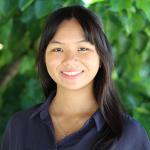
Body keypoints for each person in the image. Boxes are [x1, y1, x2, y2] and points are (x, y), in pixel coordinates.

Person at [1, 5, 150, 150]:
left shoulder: (129, 135)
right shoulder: (19, 126)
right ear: (44, 58)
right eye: (58, 49)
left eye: (83, 49)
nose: (70, 60)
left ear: (101, 58)